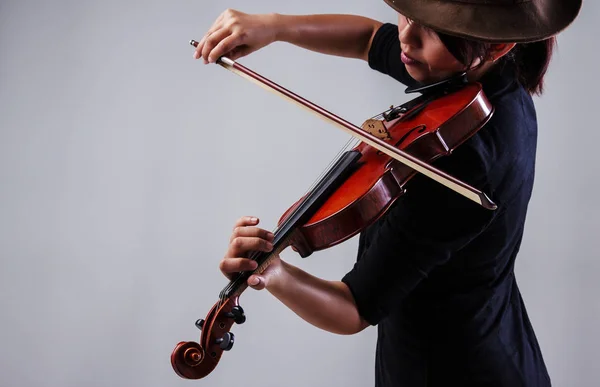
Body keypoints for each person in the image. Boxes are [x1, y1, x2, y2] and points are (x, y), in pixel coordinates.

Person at [193, 1, 581, 386]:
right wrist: (274, 25)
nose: (406, 37)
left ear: (498, 44)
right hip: (501, 338)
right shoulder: (482, 74)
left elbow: (355, 307)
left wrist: (275, 274)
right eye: (410, 14)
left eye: (432, 29)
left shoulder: (463, 164)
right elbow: (368, 39)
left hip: (451, 369)